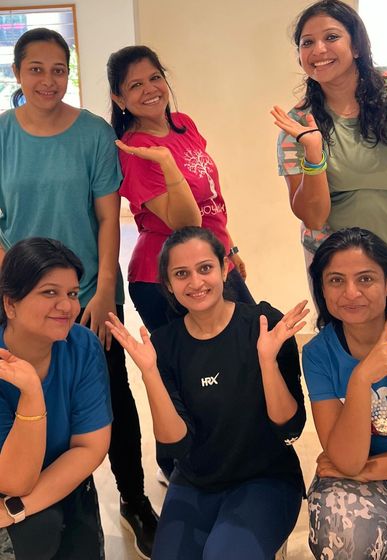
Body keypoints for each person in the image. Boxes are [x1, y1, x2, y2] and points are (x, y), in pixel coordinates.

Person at [0, 28, 156, 558]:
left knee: (110, 395)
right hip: (18, 296)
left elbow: (109, 217)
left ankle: (134, 499)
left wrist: (105, 288)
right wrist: (12, 289)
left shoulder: (92, 133)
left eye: (58, 70)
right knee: (17, 391)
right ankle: (26, 488)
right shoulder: (2, 135)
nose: (48, 80)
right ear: (18, 73)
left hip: (87, 293)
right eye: (36, 69)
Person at [106, 226, 307, 560]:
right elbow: (176, 444)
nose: (196, 282)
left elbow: (290, 428)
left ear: (225, 269)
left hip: (266, 478)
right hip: (196, 481)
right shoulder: (165, 345)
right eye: (181, 274)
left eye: (205, 268)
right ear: (167, 284)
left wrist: (267, 363)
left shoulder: (263, 325)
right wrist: (150, 372)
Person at [272, 0, 387, 300]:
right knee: (351, 331)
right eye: (307, 43)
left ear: (356, 46)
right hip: (341, 269)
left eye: (331, 37)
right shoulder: (298, 125)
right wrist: (314, 154)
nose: (319, 50)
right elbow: (313, 218)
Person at [107, 46, 254, 334]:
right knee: (205, 359)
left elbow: (210, 199)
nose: (150, 89)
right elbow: (187, 223)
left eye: (155, 78)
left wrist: (229, 248)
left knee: (247, 342)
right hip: (165, 276)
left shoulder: (183, 124)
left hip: (210, 258)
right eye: (135, 85)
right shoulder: (135, 151)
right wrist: (166, 162)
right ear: (119, 98)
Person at [302, 227, 387, 559]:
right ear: (322, 288)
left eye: (365, 279)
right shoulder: (318, 353)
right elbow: (345, 460)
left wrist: (371, 469)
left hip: (385, 473)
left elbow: (354, 466)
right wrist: (360, 380)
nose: (351, 293)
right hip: (358, 483)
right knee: (343, 530)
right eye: (336, 280)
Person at [0, 237, 112, 560]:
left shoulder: (82, 345)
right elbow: (14, 480)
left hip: (61, 481)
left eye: (73, 294)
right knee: (38, 532)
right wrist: (32, 394)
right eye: (50, 292)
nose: (67, 306)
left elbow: (90, 447)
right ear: (10, 304)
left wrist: (17, 509)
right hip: (7, 481)